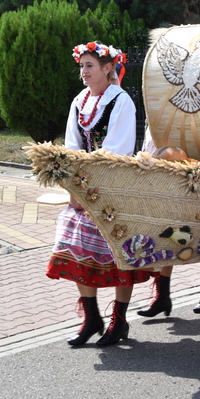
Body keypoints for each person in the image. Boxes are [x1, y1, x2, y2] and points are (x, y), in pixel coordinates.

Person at [46, 41, 155, 346]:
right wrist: (74, 184)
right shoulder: (79, 101)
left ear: (108, 68)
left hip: (112, 184)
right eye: (81, 66)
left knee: (120, 253)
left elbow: (117, 148)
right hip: (84, 185)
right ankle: (91, 317)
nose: (83, 72)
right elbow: (72, 146)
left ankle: (119, 321)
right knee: (76, 247)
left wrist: (88, 177)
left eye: (89, 66)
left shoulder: (120, 101)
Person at [134, 142, 200, 318]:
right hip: (169, 196)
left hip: (197, 187)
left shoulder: (194, 169)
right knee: (165, 240)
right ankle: (162, 296)